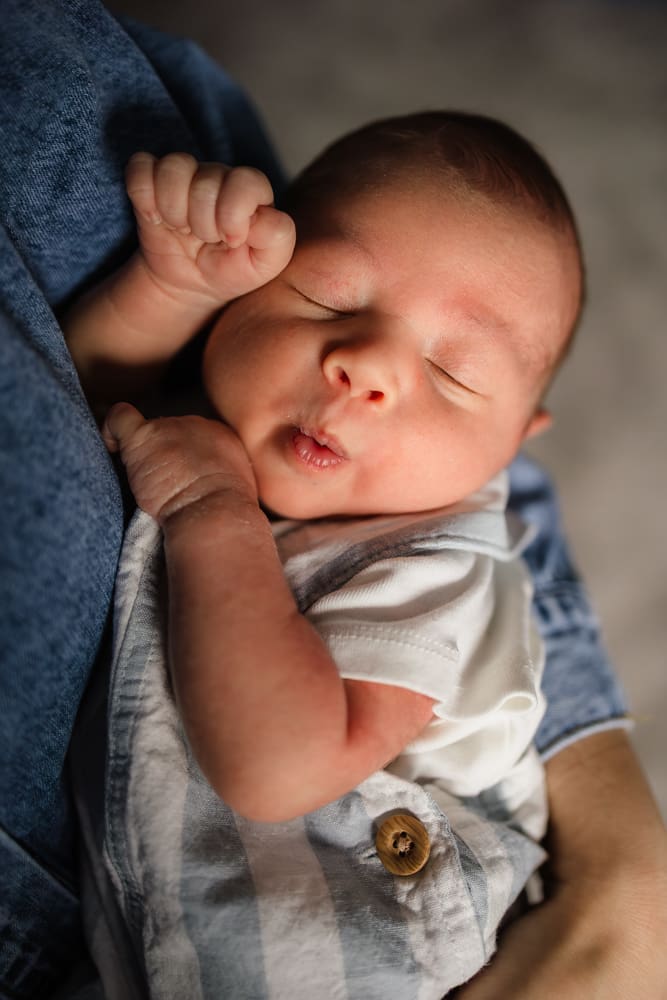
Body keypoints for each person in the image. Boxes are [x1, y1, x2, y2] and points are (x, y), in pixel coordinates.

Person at [0, 2, 664, 998]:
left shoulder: (432, 564)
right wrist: (172, 288)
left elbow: (274, 770)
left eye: (452, 375)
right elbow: (83, 404)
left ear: (506, 456)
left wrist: (217, 517)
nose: (364, 369)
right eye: (329, 299)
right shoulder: (226, 423)